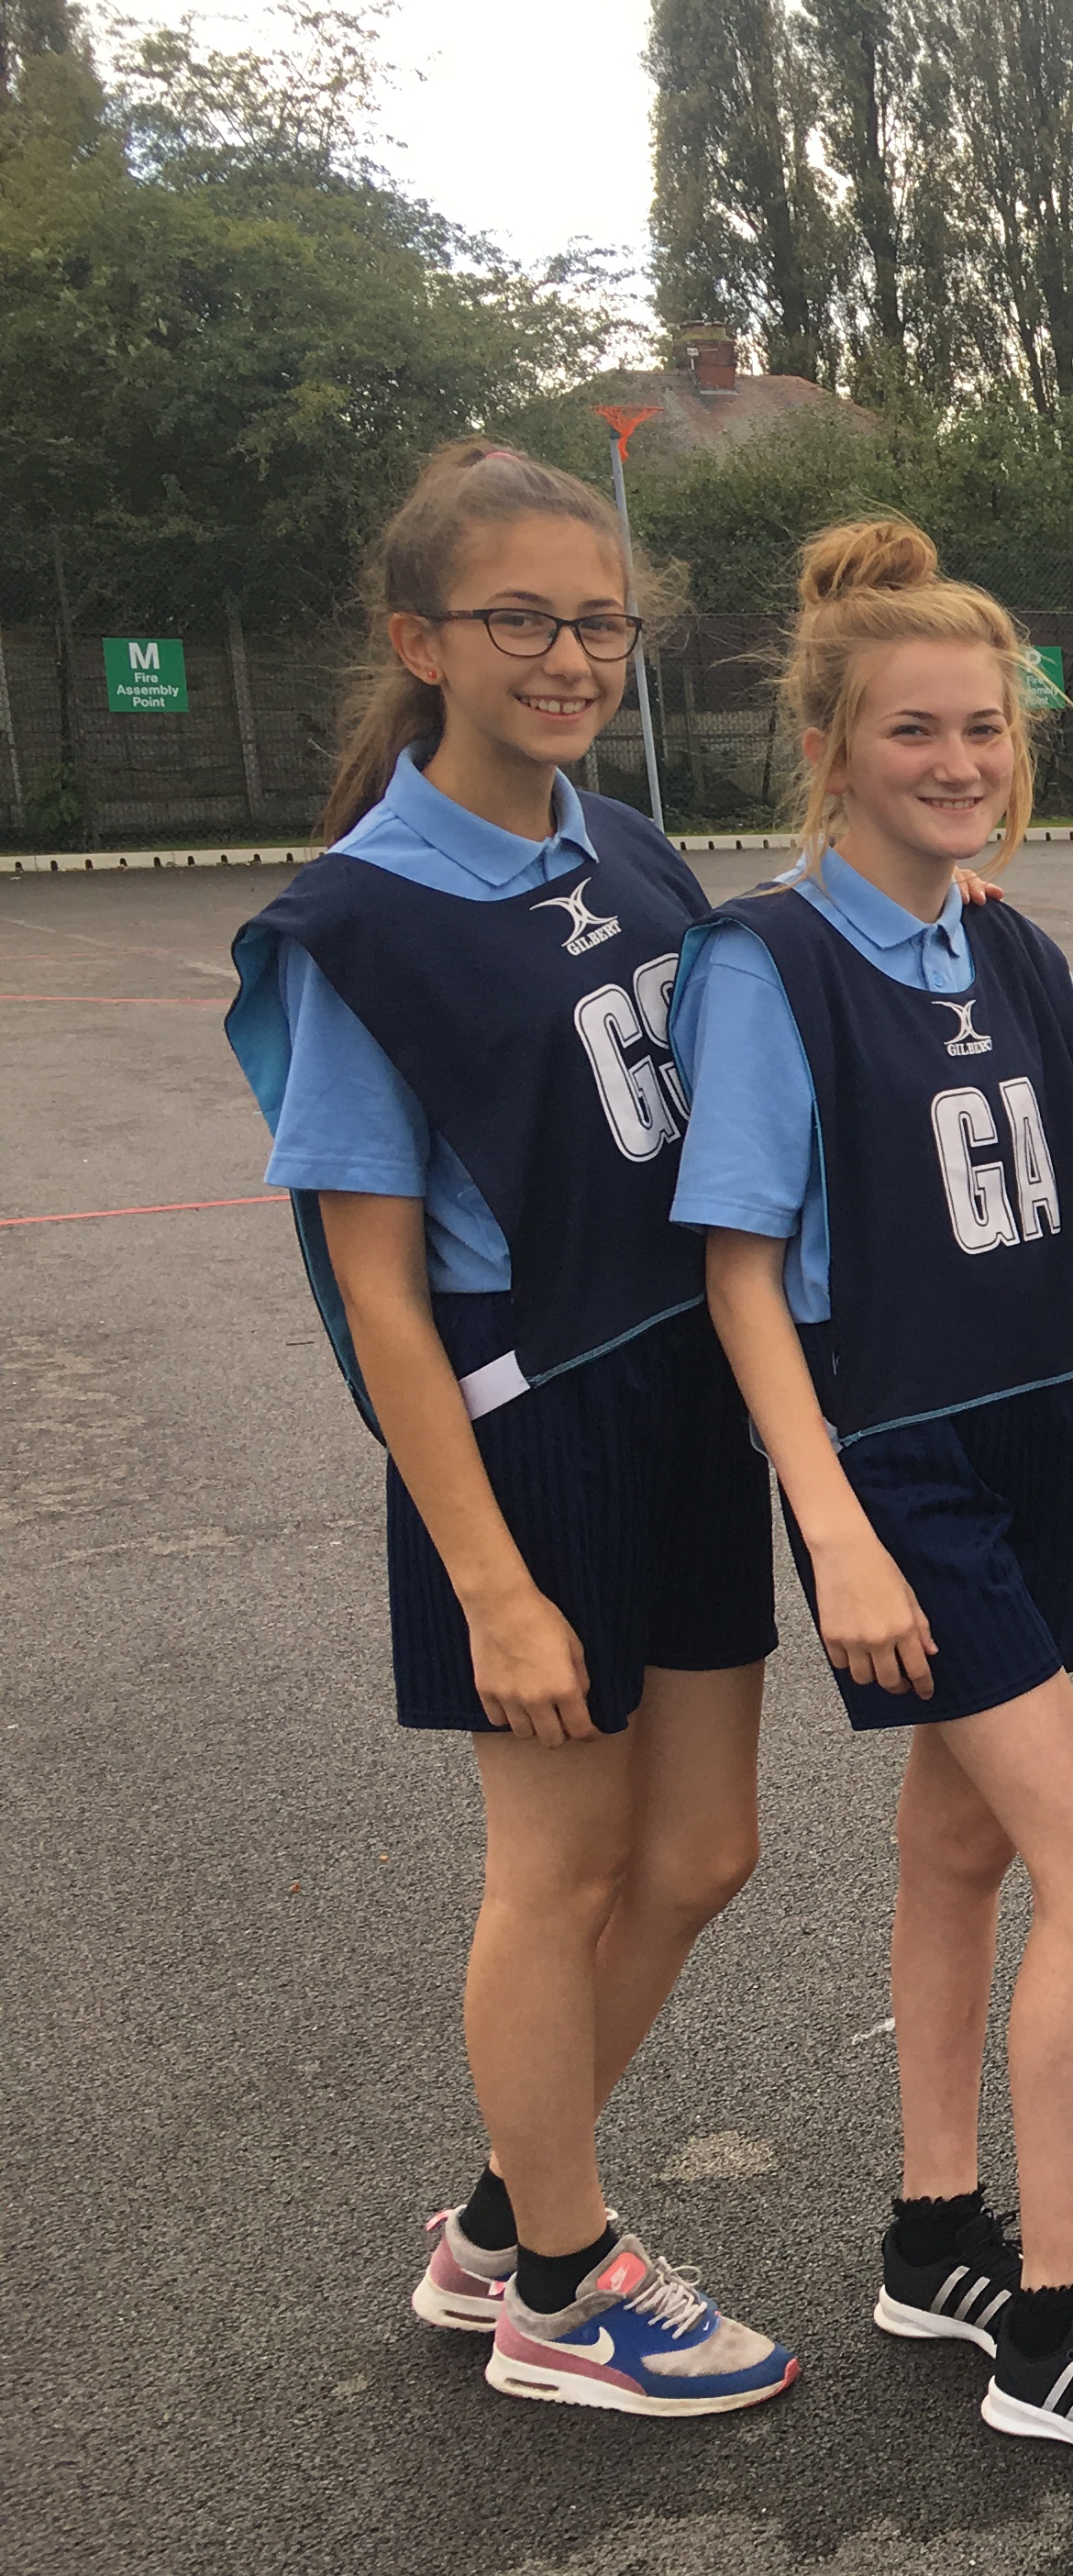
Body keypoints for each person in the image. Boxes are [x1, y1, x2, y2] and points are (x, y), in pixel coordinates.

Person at [668, 518, 1073, 2470]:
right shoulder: (768, 964)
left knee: (964, 1850)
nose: (961, 761)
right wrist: (831, 1523)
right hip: (892, 1464)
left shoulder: (1003, 943)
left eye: (988, 730)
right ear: (833, 750)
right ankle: (1059, 2328)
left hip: (1028, 1430)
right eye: (917, 731)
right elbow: (739, 1266)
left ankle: (941, 2238)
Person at [224, 442, 798, 2417]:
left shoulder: (624, 849)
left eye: (599, 621)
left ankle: (498, 2220)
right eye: (523, 620)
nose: (569, 655)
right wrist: (491, 1581)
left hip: (686, 1398)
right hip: (531, 1427)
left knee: (705, 1849)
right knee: (553, 1871)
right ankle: (562, 2283)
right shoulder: (362, 927)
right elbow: (379, 1289)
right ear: (422, 642)